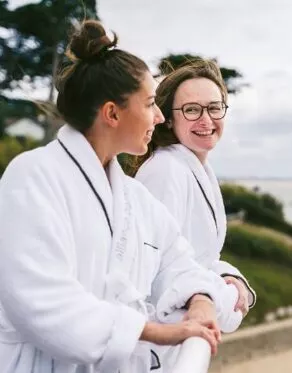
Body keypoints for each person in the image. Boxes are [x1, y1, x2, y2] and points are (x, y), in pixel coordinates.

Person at [0, 21, 228, 373]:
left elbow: (177, 262)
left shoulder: (135, 198)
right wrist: (156, 332)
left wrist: (200, 298)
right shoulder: (32, 176)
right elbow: (41, 301)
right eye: (150, 103)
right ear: (112, 113)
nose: (160, 116)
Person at [131, 59, 256, 321]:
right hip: (165, 330)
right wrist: (211, 297)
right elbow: (155, 266)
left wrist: (229, 277)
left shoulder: (193, 167)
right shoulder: (165, 170)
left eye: (214, 108)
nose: (206, 120)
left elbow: (199, 259)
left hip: (190, 320)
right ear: (167, 119)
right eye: (191, 110)